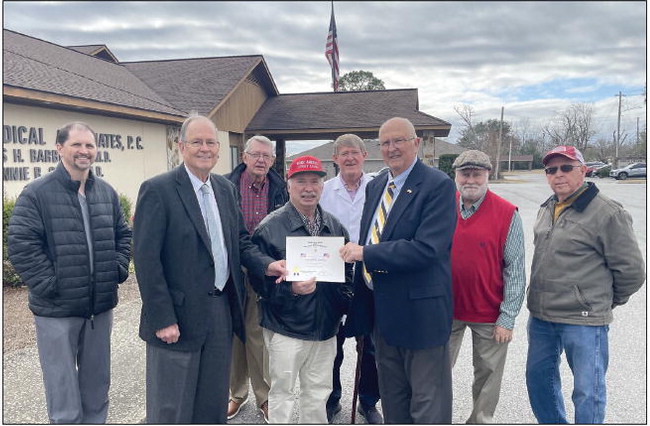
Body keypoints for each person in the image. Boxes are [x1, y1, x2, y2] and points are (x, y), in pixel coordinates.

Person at [133, 115, 286, 424]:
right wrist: (163, 318)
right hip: (176, 316)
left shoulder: (223, 189)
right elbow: (147, 260)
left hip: (220, 310)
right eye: (197, 142)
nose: (205, 148)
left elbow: (240, 241)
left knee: (211, 403)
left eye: (211, 142)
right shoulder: (158, 190)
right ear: (181, 147)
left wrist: (268, 265)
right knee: (171, 406)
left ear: (219, 148)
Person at [8, 121, 132, 423]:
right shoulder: (37, 193)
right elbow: (21, 245)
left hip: (99, 309)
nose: (84, 151)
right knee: (62, 390)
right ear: (59, 148)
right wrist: (52, 284)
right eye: (77, 145)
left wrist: (115, 269)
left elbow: (123, 235)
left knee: (97, 385)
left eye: (89, 145)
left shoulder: (105, 192)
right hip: (56, 310)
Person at [340, 117, 457, 423]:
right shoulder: (377, 184)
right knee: (393, 396)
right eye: (386, 142)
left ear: (415, 143)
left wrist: (365, 253)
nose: (392, 148)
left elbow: (427, 249)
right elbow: (371, 233)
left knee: (428, 399)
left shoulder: (438, 185)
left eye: (399, 141)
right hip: (382, 312)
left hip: (421, 314)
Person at [526, 145, 645, 423]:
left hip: (584, 320)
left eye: (566, 167)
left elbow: (632, 272)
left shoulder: (607, 212)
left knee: (587, 392)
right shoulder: (548, 207)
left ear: (583, 170)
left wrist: (598, 301)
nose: (558, 174)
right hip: (542, 318)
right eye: (551, 169)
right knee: (538, 382)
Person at [250, 155, 354, 424]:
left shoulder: (335, 227)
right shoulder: (270, 228)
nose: (308, 188)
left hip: (325, 327)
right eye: (301, 182)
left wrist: (343, 307)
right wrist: (291, 290)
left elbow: (347, 275)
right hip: (286, 328)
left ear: (323, 185)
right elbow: (256, 282)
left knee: (318, 392)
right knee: (282, 392)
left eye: (314, 182)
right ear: (288, 185)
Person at [448, 150, 526, 423]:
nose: (470, 180)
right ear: (455, 176)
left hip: (489, 313)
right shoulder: (443, 205)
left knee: (488, 376)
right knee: (436, 371)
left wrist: (508, 317)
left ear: (487, 176)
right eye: (464, 174)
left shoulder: (506, 213)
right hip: (446, 309)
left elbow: (515, 268)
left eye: (476, 174)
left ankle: (480, 420)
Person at [319, 134, 383, 424]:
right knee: (332, 341)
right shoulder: (325, 190)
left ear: (364, 154)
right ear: (335, 159)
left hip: (370, 273)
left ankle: (368, 400)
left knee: (369, 343)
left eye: (354, 153)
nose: (349, 158)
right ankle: (332, 399)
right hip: (333, 274)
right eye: (343, 154)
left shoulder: (379, 187)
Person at [224, 135, 288, 422]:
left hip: (265, 268)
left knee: (257, 334)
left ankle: (265, 397)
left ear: (273, 160)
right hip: (232, 269)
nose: (261, 160)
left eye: (267, 156)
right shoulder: (224, 186)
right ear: (244, 157)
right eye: (256, 155)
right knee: (234, 332)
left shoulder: (281, 189)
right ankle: (236, 394)